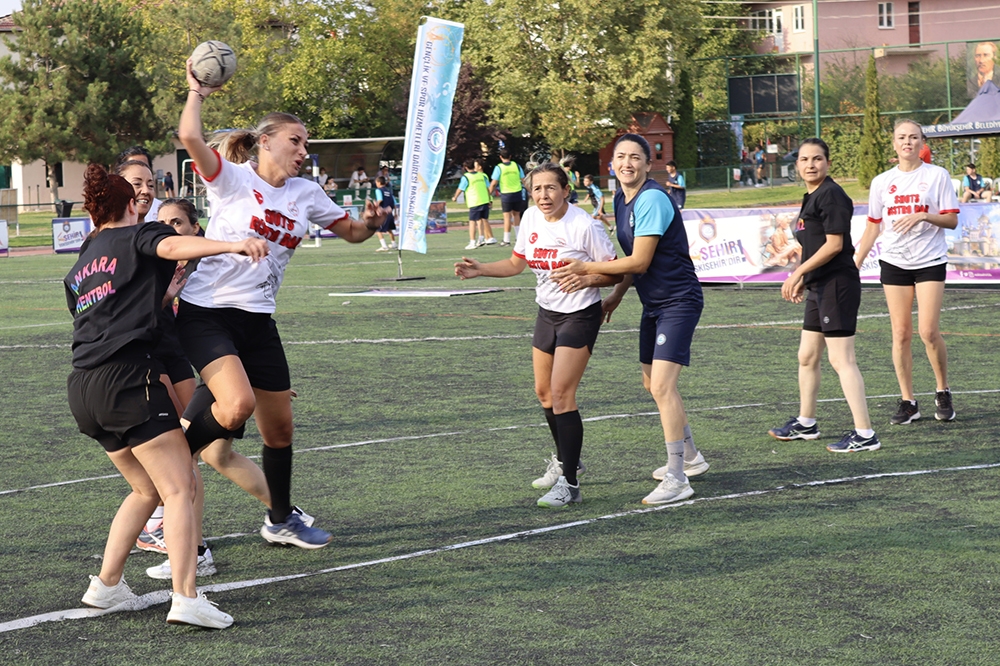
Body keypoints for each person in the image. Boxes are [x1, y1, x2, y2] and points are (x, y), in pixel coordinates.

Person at [176, 59, 389, 549]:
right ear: (266, 142)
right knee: (237, 405)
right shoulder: (232, 179)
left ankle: (279, 520)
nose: (303, 151)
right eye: (296, 141)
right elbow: (189, 136)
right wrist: (197, 92)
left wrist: (371, 224)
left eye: (306, 144)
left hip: (258, 320)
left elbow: (352, 233)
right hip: (208, 312)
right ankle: (171, 465)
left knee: (279, 430)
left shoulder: (306, 193)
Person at [68, 163, 267, 628]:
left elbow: (107, 318)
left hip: (83, 388)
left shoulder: (82, 260)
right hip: (128, 381)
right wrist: (234, 243)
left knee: (147, 489)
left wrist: (162, 298)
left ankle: (106, 585)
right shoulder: (139, 233)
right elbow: (173, 246)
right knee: (180, 487)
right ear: (131, 206)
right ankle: (186, 598)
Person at [550, 134, 710, 505]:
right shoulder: (622, 199)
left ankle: (677, 477)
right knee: (651, 382)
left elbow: (639, 261)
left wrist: (587, 269)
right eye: (621, 156)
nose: (627, 163)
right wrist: (617, 296)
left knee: (663, 387)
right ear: (612, 164)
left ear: (648, 164)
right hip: (654, 303)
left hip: (679, 301)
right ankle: (691, 456)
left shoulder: (651, 198)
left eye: (635, 157)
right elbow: (634, 263)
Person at [455, 163, 621, 507]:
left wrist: (587, 279)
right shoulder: (530, 218)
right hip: (547, 313)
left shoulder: (584, 225)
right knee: (544, 393)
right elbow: (516, 264)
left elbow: (615, 272)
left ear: (565, 190)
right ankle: (566, 460)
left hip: (580, 314)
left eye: (550, 188)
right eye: (537, 189)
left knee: (562, 394)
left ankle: (570, 484)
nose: (543, 195)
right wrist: (480, 270)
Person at [767, 138, 880, 453]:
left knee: (842, 359)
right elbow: (813, 245)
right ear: (797, 165)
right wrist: (805, 277)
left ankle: (865, 434)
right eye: (804, 159)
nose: (810, 164)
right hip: (819, 285)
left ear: (828, 163)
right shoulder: (812, 196)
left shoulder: (831, 194)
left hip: (837, 284)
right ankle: (806, 423)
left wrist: (798, 273)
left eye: (817, 159)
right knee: (807, 356)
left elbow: (834, 245)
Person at [855, 119, 960, 425]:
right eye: (902, 137)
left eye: (913, 137)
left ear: (921, 142)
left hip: (929, 261)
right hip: (894, 262)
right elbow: (873, 226)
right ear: (894, 143)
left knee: (928, 332)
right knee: (900, 334)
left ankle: (942, 390)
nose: (907, 142)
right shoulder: (881, 182)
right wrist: (855, 261)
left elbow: (952, 220)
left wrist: (923, 216)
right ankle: (908, 401)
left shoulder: (937, 175)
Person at [454, 157, 496, 250]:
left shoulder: (466, 177)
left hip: (474, 202)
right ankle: (481, 238)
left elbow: (460, 188)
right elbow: (488, 188)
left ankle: (472, 242)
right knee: (481, 220)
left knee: (472, 222)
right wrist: (490, 199)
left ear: (465, 167)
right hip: (484, 201)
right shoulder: (482, 176)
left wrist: (455, 197)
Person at [489, 149, 526, 246]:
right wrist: (530, 191)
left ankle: (506, 240)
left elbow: (493, 183)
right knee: (516, 215)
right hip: (517, 193)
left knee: (507, 217)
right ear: (510, 156)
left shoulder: (499, 167)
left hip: (506, 194)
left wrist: (489, 194)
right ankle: (519, 238)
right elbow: (524, 180)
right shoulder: (516, 166)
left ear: (500, 157)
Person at [114, 146, 161, 221]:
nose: (145, 191)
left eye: (150, 185)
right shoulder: (102, 221)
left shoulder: (162, 213)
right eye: (137, 184)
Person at [374, 175, 398, 252]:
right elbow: (394, 203)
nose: (376, 184)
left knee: (378, 230)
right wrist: (396, 213)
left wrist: (375, 205)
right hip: (390, 213)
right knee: (389, 229)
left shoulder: (378, 190)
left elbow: (380, 200)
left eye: (376, 182)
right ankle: (394, 245)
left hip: (383, 214)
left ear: (379, 182)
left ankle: (384, 246)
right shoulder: (389, 191)